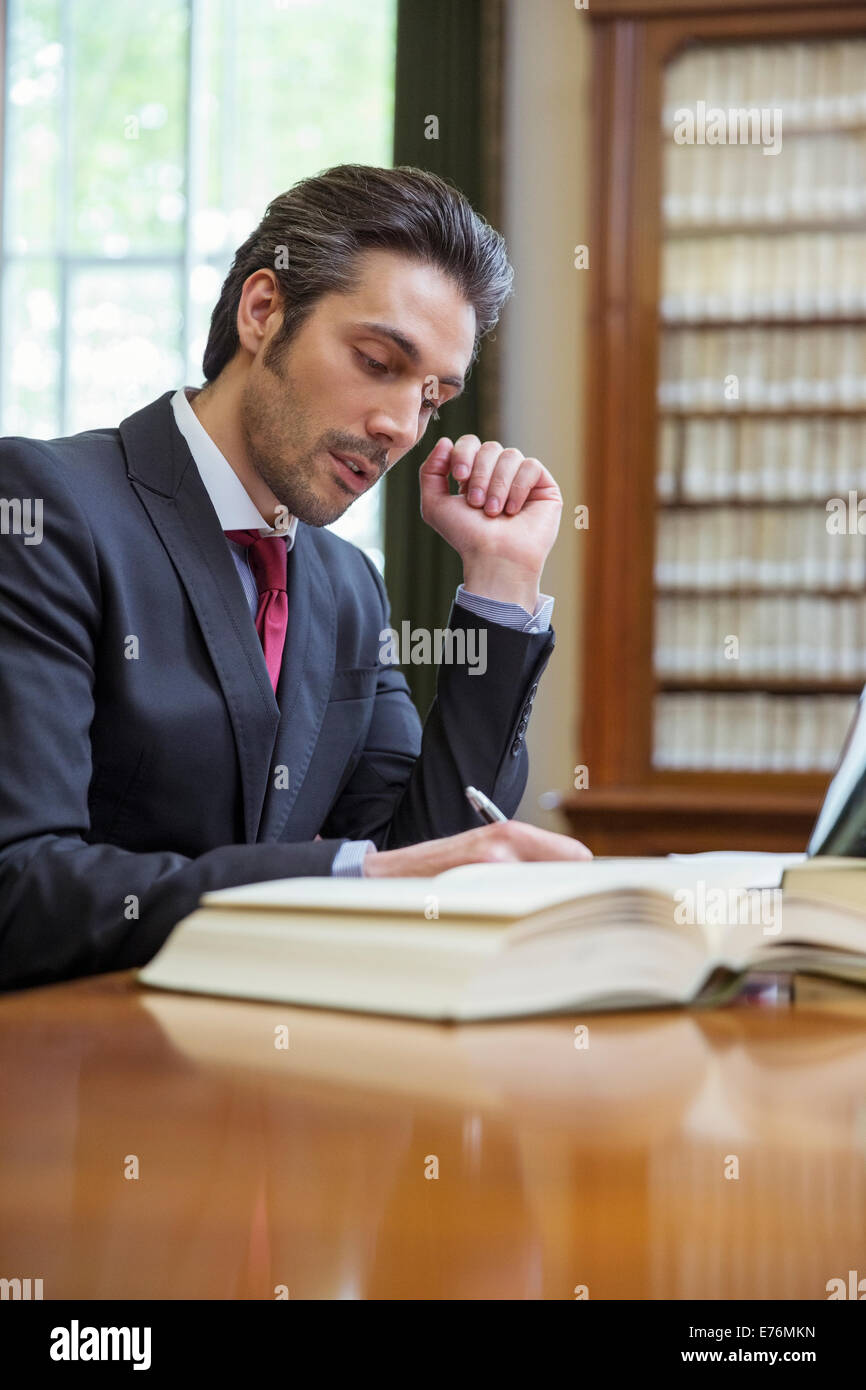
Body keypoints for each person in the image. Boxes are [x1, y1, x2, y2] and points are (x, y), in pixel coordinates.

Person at [0, 163, 590, 992]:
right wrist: (353, 882)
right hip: (67, 1083)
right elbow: (19, 888)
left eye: (432, 399)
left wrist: (502, 581)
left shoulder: (350, 587)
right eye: (379, 360)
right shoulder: (44, 505)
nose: (398, 426)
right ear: (263, 310)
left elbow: (427, 857)